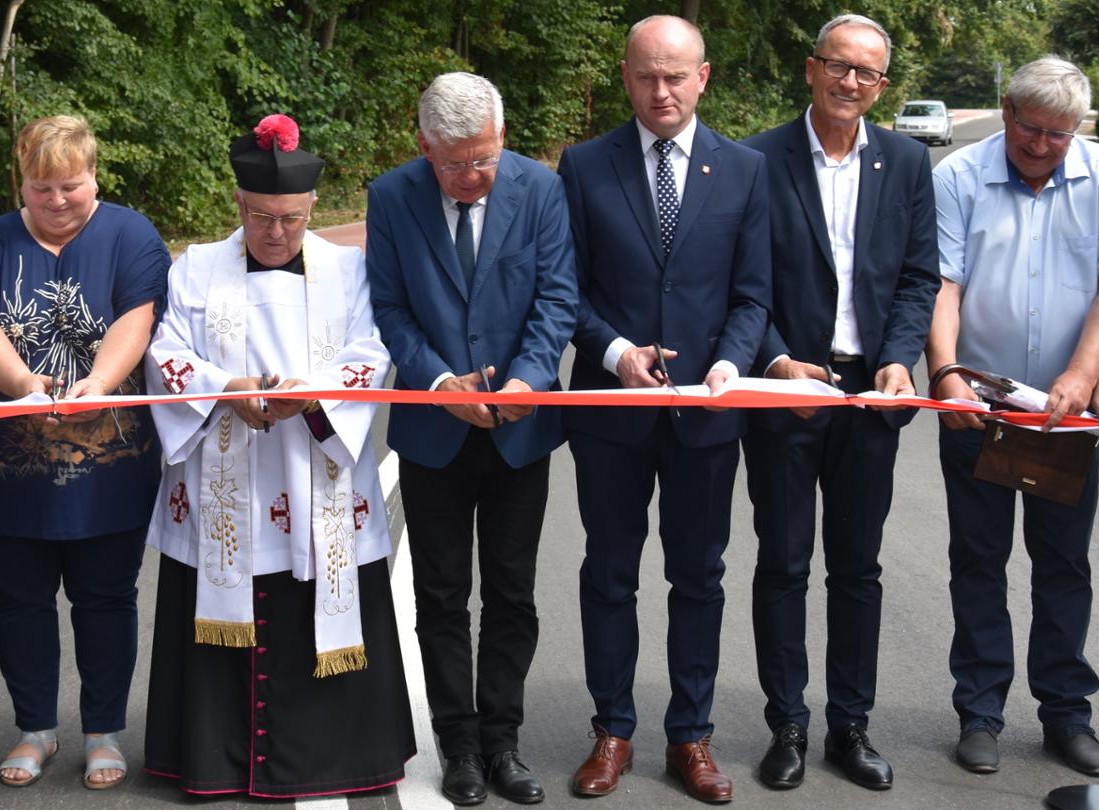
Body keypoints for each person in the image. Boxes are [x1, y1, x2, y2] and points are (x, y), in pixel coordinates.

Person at [143, 114, 415, 798]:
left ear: (312, 206)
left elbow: (371, 350)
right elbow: (166, 352)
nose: (276, 233)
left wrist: (315, 397)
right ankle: (215, 759)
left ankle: (335, 760)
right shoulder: (197, 267)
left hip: (315, 466)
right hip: (225, 472)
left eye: (291, 218)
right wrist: (222, 388)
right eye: (262, 217)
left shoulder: (347, 270)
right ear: (239, 203)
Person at [926, 56, 1099, 778]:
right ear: (1006, 111)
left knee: (1064, 562)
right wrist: (946, 374)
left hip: (1066, 414)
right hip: (979, 406)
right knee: (978, 559)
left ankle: (1066, 714)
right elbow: (942, 285)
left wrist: (1085, 372)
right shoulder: (957, 177)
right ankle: (980, 713)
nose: (1040, 145)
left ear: (1078, 129)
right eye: (1029, 128)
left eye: (1058, 134)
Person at [557, 14, 771, 803]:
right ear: (625, 77)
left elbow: (753, 294)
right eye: (646, 76)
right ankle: (612, 730)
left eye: (676, 76)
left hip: (705, 415)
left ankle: (691, 736)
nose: (661, 92)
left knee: (699, 578)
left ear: (702, 78)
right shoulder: (584, 166)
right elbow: (565, 288)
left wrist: (729, 363)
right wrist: (617, 353)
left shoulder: (744, 171)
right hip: (611, 415)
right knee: (610, 574)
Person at [737, 13, 938, 793]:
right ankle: (787, 724)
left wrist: (898, 360)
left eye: (866, 72)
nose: (849, 82)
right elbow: (743, 281)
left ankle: (850, 725)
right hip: (788, 387)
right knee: (784, 563)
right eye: (837, 66)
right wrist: (776, 361)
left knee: (857, 568)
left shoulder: (907, 162)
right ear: (812, 68)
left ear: (882, 86)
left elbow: (919, 277)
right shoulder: (758, 160)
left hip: (870, 396)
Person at [366, 72, 576, 806]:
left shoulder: (540, 190)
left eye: (483, 158)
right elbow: (389, 308)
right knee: (441, 594)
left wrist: (528, 379)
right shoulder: (392, 197)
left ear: (502, 136)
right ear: (424, 147)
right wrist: (437, 383)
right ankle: (458, 746)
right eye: (454, 163)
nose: (471, 176)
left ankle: (503, 742)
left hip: (520, 427)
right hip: (435, 432)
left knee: (513, 593)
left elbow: (556, 297)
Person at [0, 115, 168, 791]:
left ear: (94, 176)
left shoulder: (131, 234)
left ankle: (103, 730)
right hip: (10, 460)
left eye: (70, 186)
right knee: (18, 597)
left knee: (106, 596)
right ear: (20, 182)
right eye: (41, 187)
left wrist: (99, 383)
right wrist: (22, 383)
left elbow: (138, 317)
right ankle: (35, 728)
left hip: (111, 460)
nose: (56, 200)